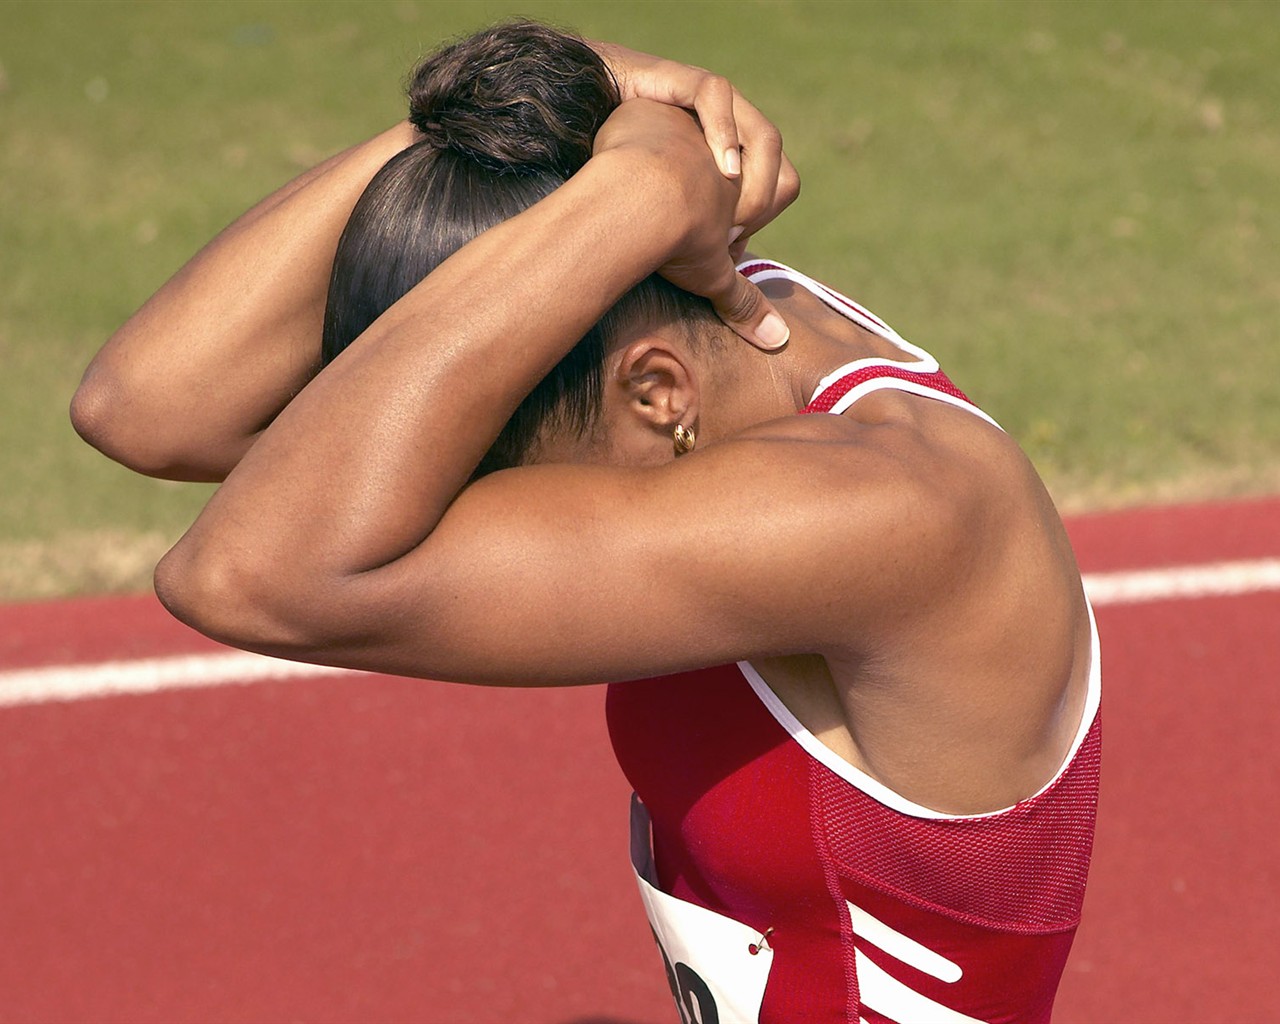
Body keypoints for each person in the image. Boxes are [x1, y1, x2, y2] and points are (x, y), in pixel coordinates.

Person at [72, 21, 1100, 1024]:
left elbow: (246, 576)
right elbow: (150, 410)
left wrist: (639, 186)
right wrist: (533, 92)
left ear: (656, 393)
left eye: (499, 481)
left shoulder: (882, 510)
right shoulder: (702, 313)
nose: (465, 516)